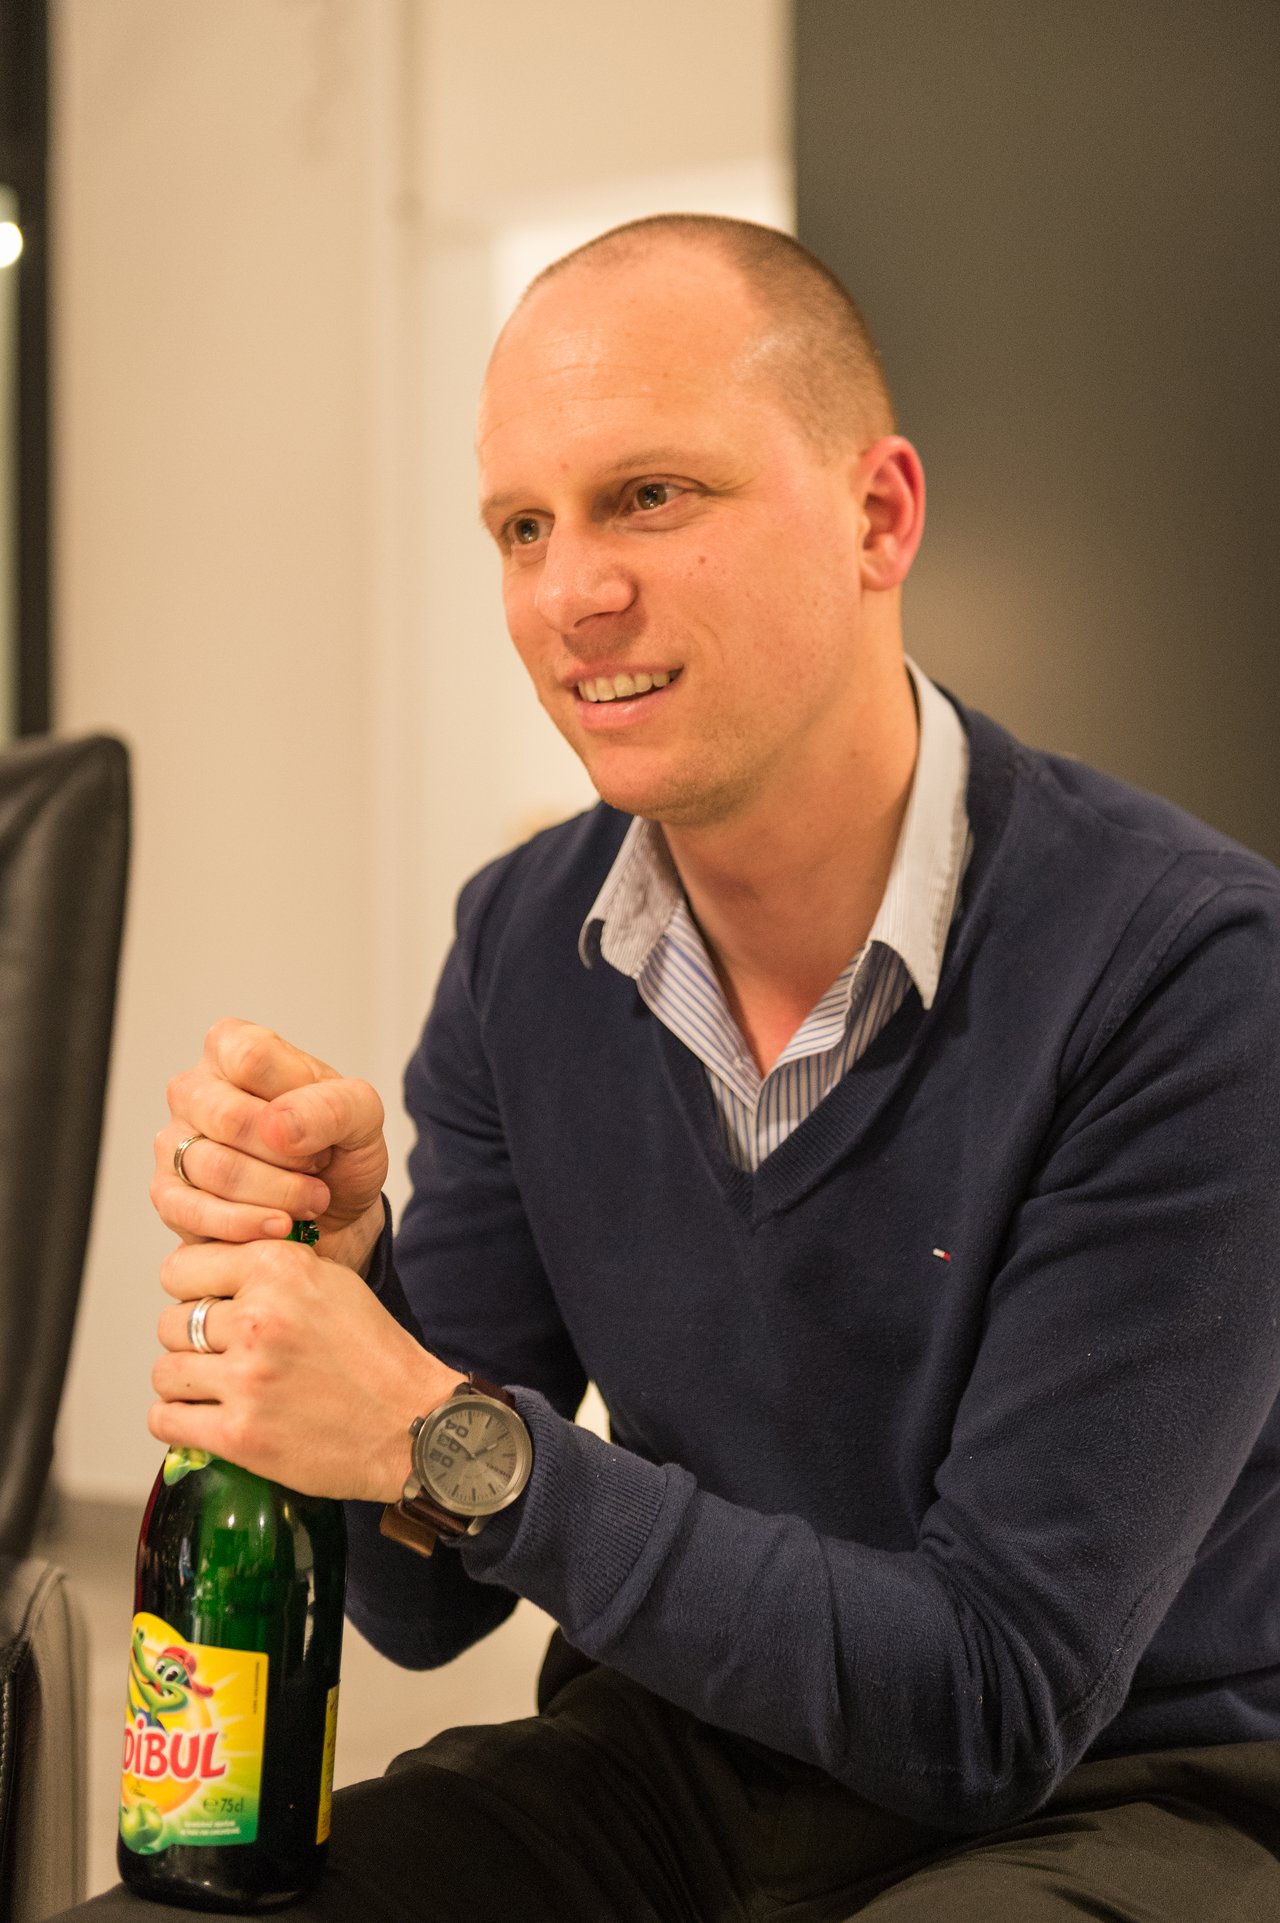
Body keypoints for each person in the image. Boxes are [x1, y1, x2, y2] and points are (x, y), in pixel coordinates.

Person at [65, 217, 1280, 1920]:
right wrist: (355, 1285)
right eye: (521, 527)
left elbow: (993, 1704)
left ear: (880, 515)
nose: (573, 593)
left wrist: (435, 1432)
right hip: (686, 1762)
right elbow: (428, 1607)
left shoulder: (1190, 973)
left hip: (1115, 1800)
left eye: (653, 496)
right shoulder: (525, 945)